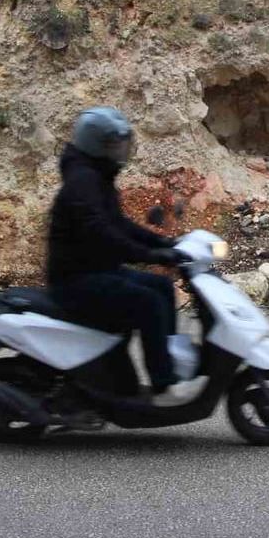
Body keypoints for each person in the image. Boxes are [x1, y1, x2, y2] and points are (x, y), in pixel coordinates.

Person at [46, 107, 207, 407]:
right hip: (76, 280)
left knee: (160, 289)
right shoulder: (83, 182)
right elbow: (104, 235)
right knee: (147, 303)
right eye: (115, 145)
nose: (121, 151)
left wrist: (163, 242)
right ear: (97, 146)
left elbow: (118, 224)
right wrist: (151, 254)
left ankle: (168, 365)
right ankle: (163, 384)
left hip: (95, 270)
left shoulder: (94, 176)